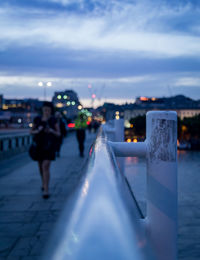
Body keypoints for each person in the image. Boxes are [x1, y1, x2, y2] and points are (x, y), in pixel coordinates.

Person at [30, 102, 60, 199]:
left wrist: (51, 131)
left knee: (45, 166)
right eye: (45, 109)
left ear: (51, 110)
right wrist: (38, 130)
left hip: (49, 146)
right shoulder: (37, 119)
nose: (46, 111)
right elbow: (31, 131)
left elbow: (58, 134)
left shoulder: (53, 120)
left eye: (48, 110)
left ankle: (46, 190)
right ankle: (43, 183)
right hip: (39, 145)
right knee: (40, 167)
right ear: (42, 109)